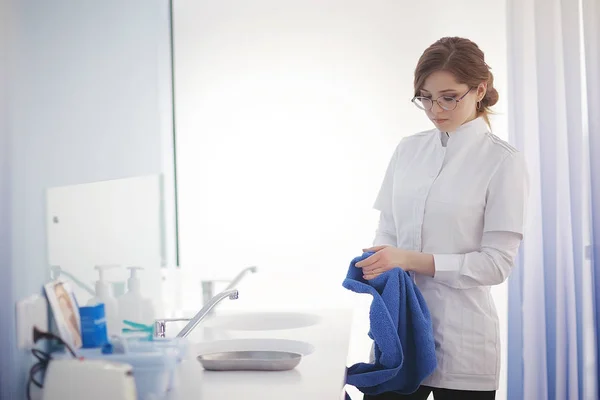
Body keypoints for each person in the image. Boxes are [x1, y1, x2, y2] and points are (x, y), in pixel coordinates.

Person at [355, 37, 529, 400]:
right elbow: (388, 225)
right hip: (400, 337)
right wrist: (381, 261)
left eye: (449, 97)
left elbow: (496, 265)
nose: (436, 109)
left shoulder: (503, 162)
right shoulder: (408, 149)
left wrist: (408, 259)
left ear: (479, 89)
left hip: (463, 343)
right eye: (425, 97)